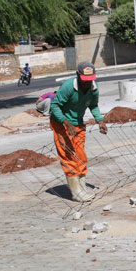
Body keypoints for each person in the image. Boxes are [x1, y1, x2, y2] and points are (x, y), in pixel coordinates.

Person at [49, 61, 107, 202]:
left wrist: (100, 120)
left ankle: (82, 187)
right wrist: (66, 122)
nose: (86, 84)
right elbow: (55, 107)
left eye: (89, 81)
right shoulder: (68, 87)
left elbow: (93, 105)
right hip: (61, 123)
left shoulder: (94, 88)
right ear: (78, 75)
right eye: (84, 81)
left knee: (80, 155)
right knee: (68, 155)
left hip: (78, 124)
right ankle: (75, 192)